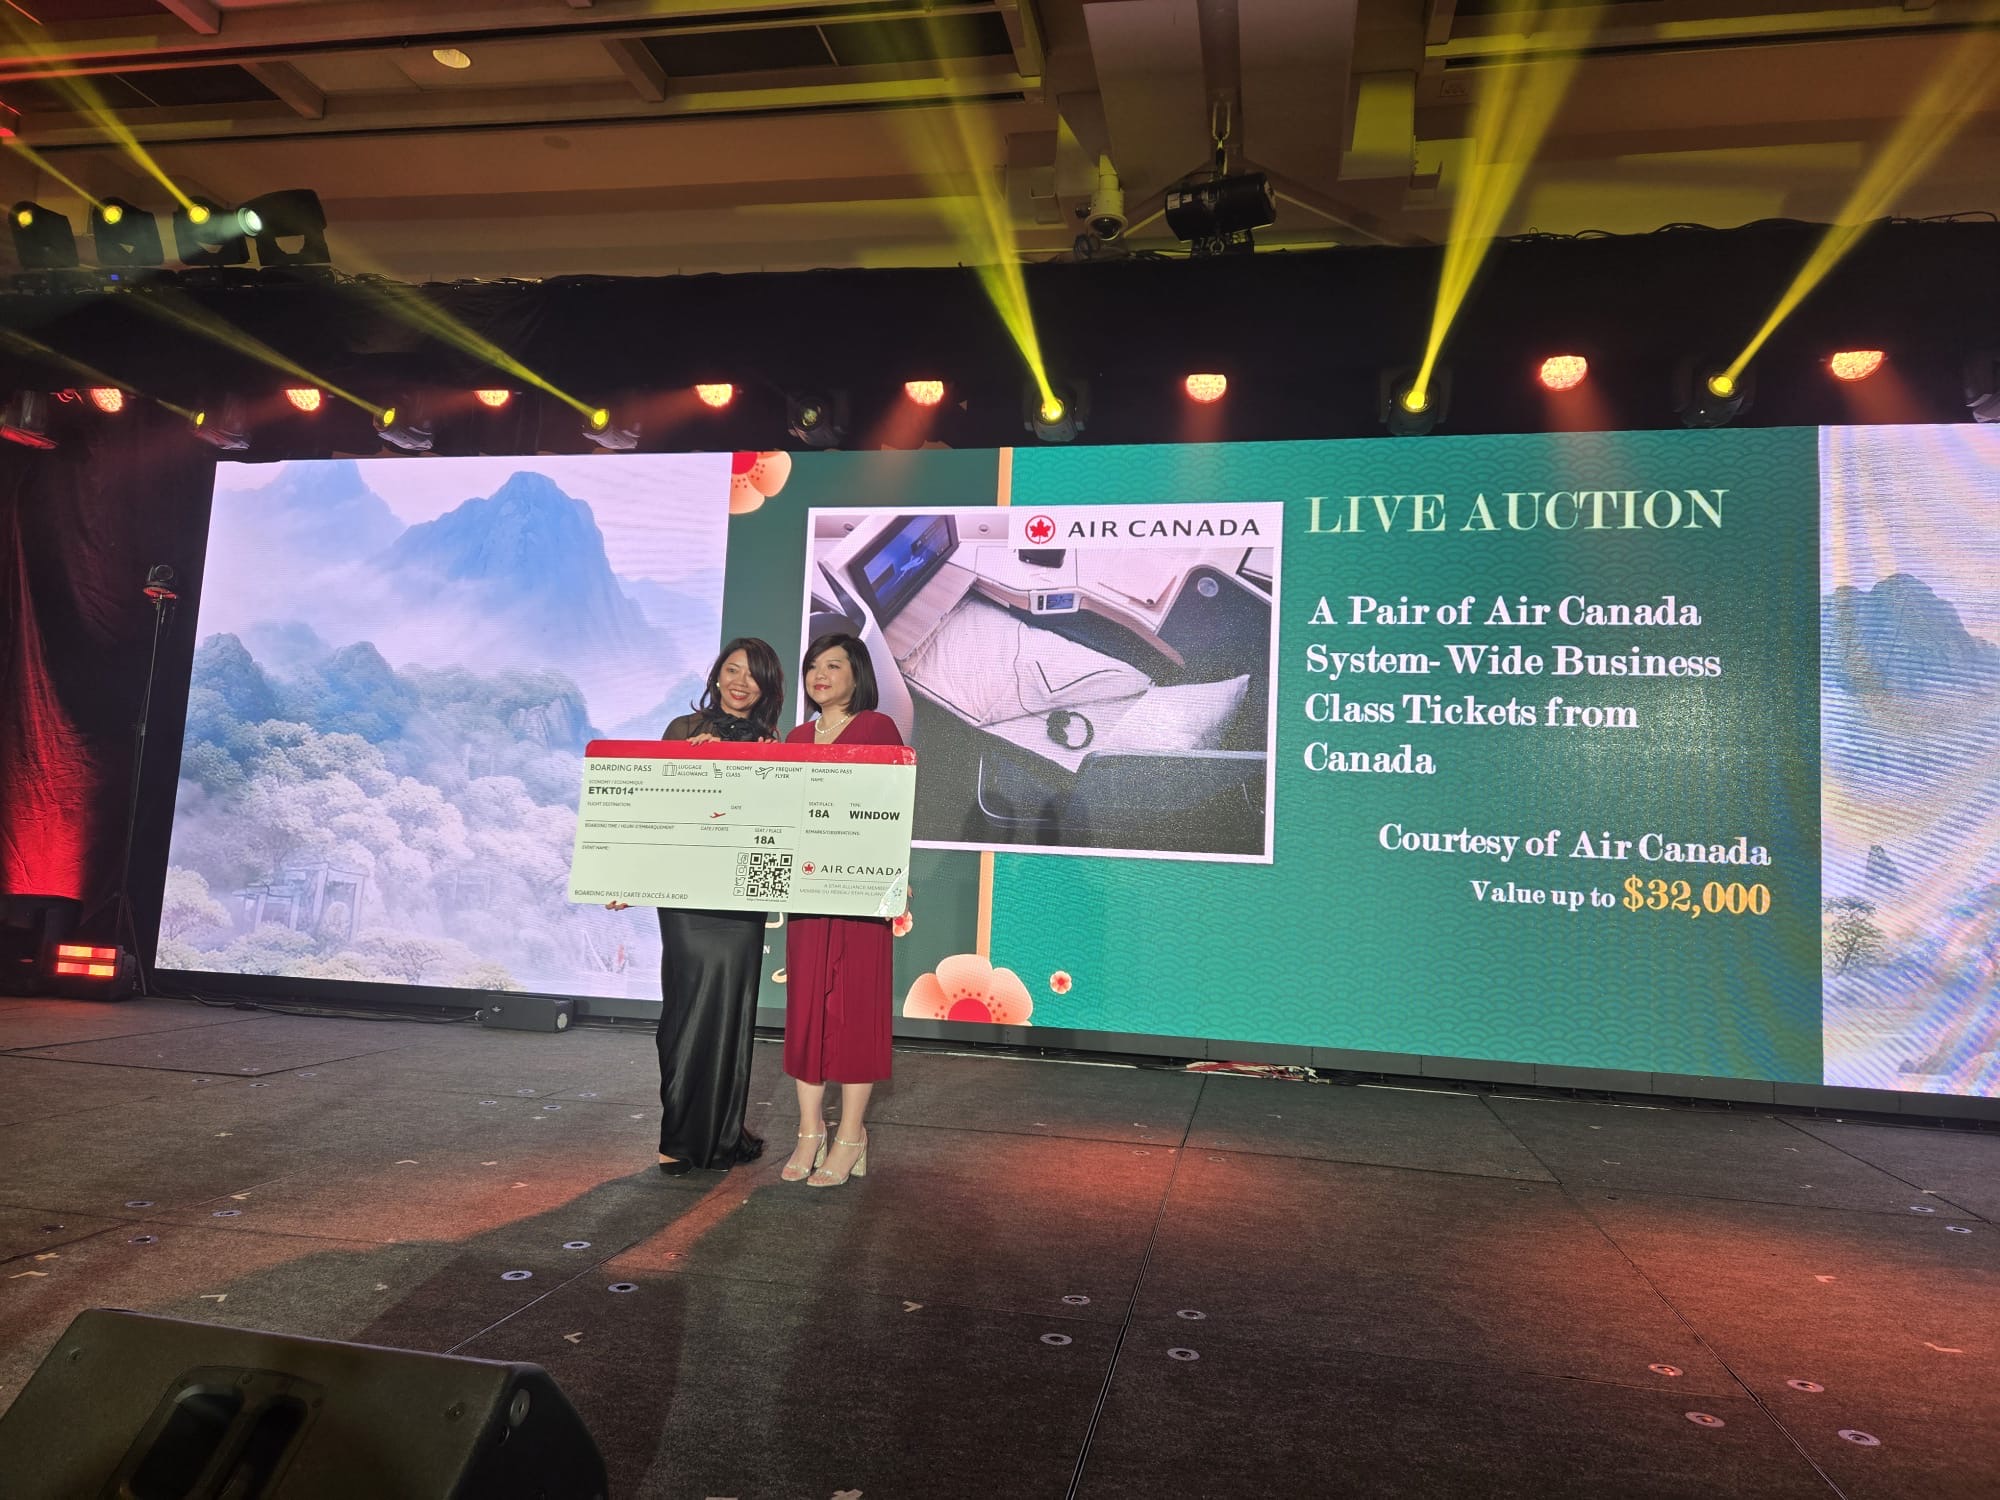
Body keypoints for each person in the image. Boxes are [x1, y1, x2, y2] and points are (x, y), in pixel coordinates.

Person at [610, 638, 783, 1176]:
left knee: (733, 1009)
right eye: (732, 670)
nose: (740, 682)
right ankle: (678, 1136)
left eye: (752, 675)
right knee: (684, 1008)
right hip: (686, 893)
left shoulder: (773, 742)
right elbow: (657, 808)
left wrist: (757, 762)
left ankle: (722, 1134)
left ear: (766, 686)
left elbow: (771, 819)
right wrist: (694, 763)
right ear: (716, 675)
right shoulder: (682, 730)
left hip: (741, 893)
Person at [780, 632, 904, 1188]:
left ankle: (851, 1134)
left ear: (858, 674)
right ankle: (810, 1130)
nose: (820, 674)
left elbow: (892, 808)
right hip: (806, 890)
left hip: (860, 892)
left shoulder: (876, 727)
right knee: (806, 1008)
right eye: (813, 665)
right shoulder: (796, 737)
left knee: (856, 1009)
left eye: (834, 665)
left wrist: (892, 875)